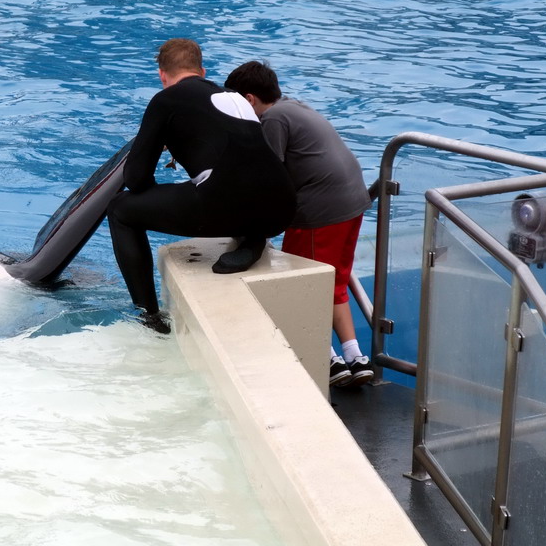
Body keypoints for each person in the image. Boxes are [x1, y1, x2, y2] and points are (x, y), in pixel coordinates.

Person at [108, 39, 296, 333]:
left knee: (121, 209)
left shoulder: (165, 100)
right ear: (202, 70)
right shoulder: (234, 97)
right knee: (234, 183)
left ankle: (149, 317)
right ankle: (252, 240)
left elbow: (135, 178)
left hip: (225, 206)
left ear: (162, 75)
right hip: (280, 210)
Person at [225, 60, 373, 388]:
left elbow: (269, 178)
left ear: (250, 100)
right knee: (333, 282)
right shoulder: (293, 106)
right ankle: (355, 356)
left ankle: (327, 359)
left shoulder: (273, 119)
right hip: (352, 203)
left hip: (321, 211)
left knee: (301, 284)